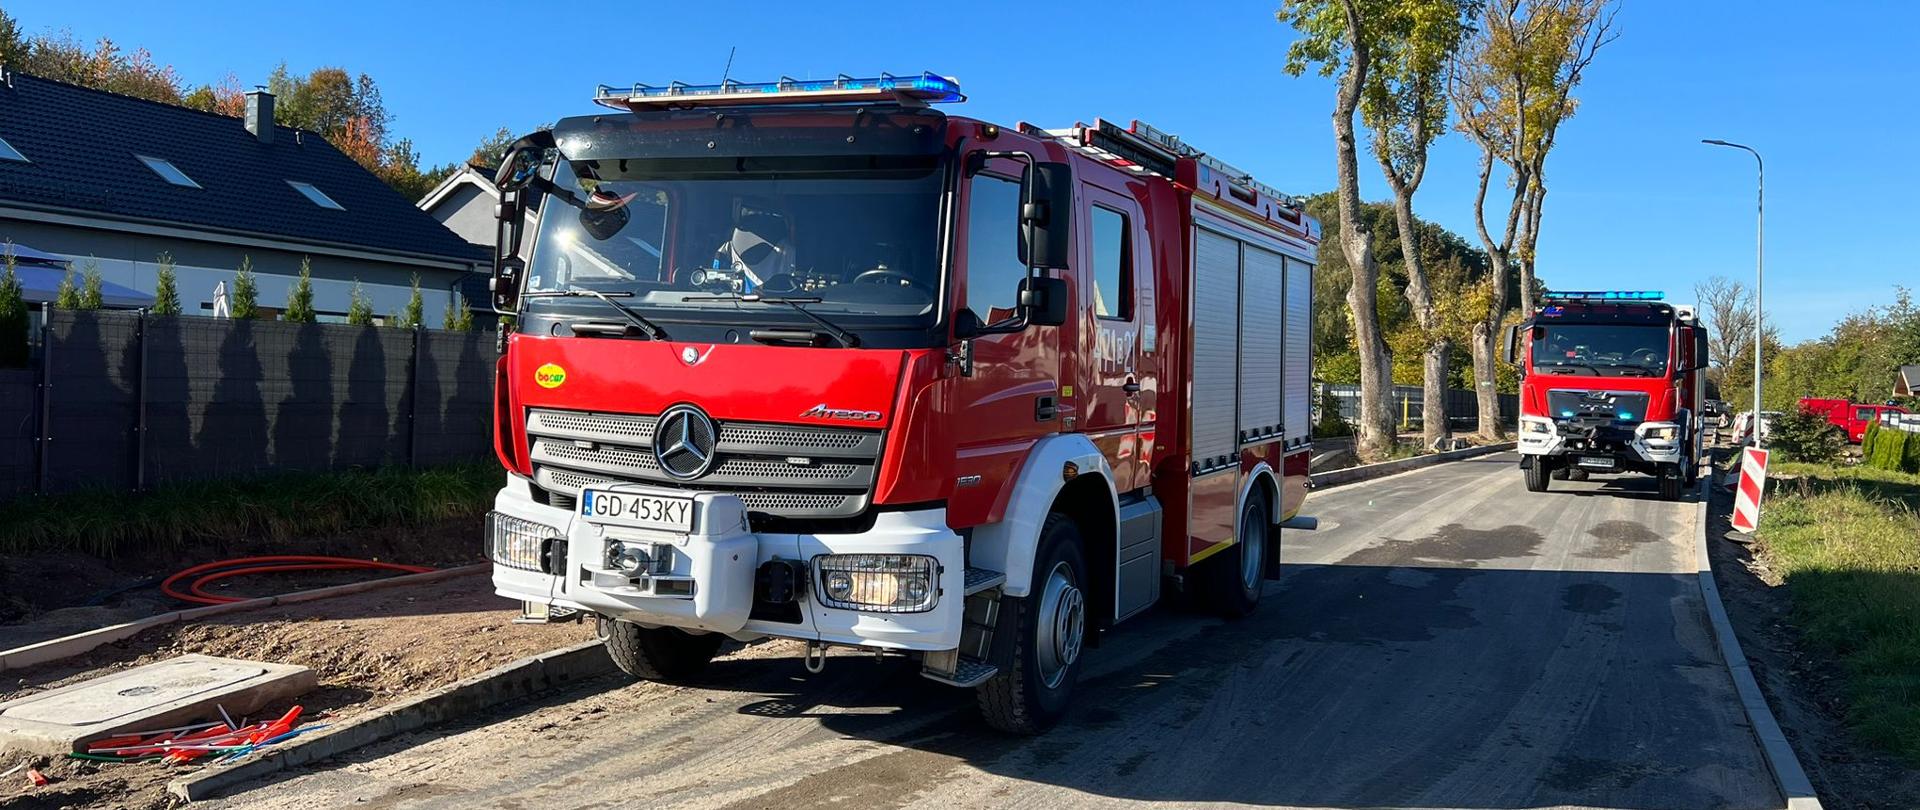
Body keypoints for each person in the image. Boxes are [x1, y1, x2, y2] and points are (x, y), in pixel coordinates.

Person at [713, 199, 794, 292]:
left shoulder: (789, 251)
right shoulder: (727, 249)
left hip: (783, 302)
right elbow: (715, 283)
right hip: (737, 302)